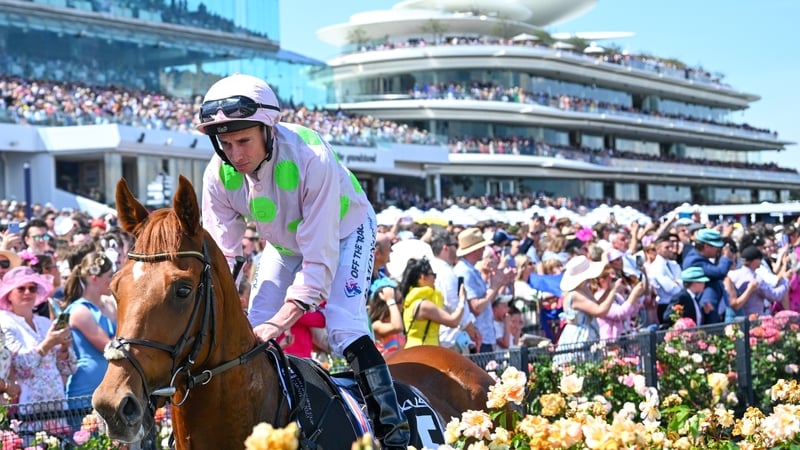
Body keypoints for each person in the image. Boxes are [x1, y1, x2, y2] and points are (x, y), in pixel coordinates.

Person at [196, 73, 409, 448]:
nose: (235, 155)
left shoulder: (312, 155)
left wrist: (283, 321)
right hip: (285, 242)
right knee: (254, 327)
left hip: (346, 230)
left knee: (343, 325)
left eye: (243, 140)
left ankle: (394, 435)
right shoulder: (218, 174)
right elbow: (224, 255)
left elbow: (319, 259)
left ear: (269, 128)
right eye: (225, 144)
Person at [0, 266, 77, 436]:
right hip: (26, 408)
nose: (27, 292)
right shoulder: (4, 323)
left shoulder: (44, 322)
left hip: (55, 404)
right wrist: (49, 343)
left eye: (32, 288)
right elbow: (22, 366)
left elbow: (69, 368)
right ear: (9, 294)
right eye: (21, 288)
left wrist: (64, 347)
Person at [61, 251, 116, 403]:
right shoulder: (80, 310)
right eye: (110, 276)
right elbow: (108, 348)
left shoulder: (110, 303)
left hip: (111, 387)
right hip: (86, 390)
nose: (113, 280)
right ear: (94, 278)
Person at [555, 255, 622, 361]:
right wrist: (613, 292)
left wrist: (609, 290)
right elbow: (599, 311)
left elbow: (597, 304)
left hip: (588, 333)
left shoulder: (583, 289)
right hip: (579, 336)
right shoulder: (575, 294)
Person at [399, 258, 465, 348]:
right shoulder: (424, 305)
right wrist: (462, 300)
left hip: (414, 349)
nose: (434, 278)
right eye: (433, 275)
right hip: (425, 351)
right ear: (423, 277)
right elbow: (453, 321)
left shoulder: (411, 301)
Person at [367, 277, 405, 355]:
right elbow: (397, 327)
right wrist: (390, 300)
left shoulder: (395, 322)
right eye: (400, 300)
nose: (403, 304)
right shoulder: (376, 325)